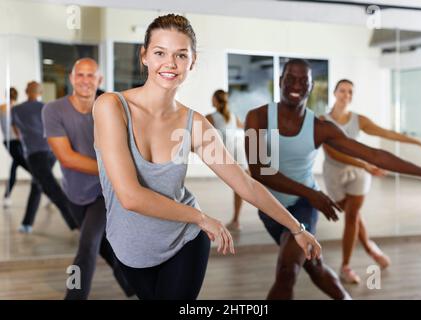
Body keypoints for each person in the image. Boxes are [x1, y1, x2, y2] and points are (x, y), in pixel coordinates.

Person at [93, 14, 321, 300]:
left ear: (193, 61)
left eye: (181, 55)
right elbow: (130, 196)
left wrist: (297, 228)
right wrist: (201, 217)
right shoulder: (111, 107)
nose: (170, 63)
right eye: (160, 52)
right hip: (130, 249)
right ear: (145, 56)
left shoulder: (195, 124)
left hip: (184, 241)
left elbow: (245, 184)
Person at [245, 58, 421, 300]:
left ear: (311, 87)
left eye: (303, 81)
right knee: (314, 265)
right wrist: (312, 193)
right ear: (280, 81)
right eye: (290, 78)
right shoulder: (257, 117)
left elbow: (374, 155)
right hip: (270, 208)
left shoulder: (320, 127)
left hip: (302, 207)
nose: (296, 85)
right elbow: (259, 171)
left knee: (287, 271)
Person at [321, 79, 421, 283]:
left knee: (352, 216)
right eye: (342, 91)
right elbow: (332, 153)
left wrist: (418, 142)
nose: (346, 95)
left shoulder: (358, 120)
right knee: (351, 216)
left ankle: (345, 267)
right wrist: (365, 165)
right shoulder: (322, 121)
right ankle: (369, 247)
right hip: (335, 173)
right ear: (334, 92)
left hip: (359, 173)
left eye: (350, 92)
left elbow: (387, 133)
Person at [42, 58, 133, 300]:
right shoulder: (53, 110)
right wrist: (113, 169)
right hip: (74, 192)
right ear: (71, 78)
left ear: (99, 80)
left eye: (90, 75)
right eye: (80, 75)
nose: (85, 80)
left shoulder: (111, 109)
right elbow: (67, 158)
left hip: (105, 192)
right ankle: (134, 287)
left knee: (87, 245)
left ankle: (74, 297)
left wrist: (118, 175)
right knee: (104, 247)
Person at [11, 81, 77, 233]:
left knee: (51, 188)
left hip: (34, 154)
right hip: (51, 152)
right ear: (40, 92)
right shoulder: (46, 107)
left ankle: (76, 221)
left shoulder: (16, 110)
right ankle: (27, 223)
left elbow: (16, 132)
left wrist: (26, 141)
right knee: (38, 184)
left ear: (27, 91)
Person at [206, 89, 248, 232]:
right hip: (239, 155)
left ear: (216, 101)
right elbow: (245, 128)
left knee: (243, 188)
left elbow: (196, 131)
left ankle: (236, 220)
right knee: (243, 188)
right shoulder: (233, 116)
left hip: (230, 157)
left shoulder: (211, 117)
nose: (211, 100)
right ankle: (236, 220)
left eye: (212, 98)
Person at [0, 87, 29, 208]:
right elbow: (17, 128)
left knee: (14, 167)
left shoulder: (2, 107)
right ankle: (48, 190)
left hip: (8, 142)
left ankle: (6, 196)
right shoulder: (15, 109)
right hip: (16, 142)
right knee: (31, 168)